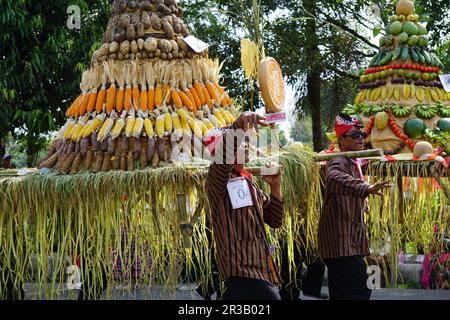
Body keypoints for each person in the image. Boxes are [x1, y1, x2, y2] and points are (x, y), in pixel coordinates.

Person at [205, 112, 285, 300]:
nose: (247, 145)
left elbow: (275, 220)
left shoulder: (249, 182)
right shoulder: (217, 182)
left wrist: (275, 187)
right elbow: (224, 154)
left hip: (260, 267)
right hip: (240, 269)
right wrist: (240, 123)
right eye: (242, 142)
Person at [318, 113, 393, 300]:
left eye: (362, 135)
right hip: (340, 244)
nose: (361, 139)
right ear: (341, 140)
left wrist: (362, 201)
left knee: (342, 293)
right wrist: (365, 188)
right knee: (360, 288)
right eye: (355, 135)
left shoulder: (352, 162)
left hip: (346, 243)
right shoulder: (339, 160)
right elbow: (333, 178)